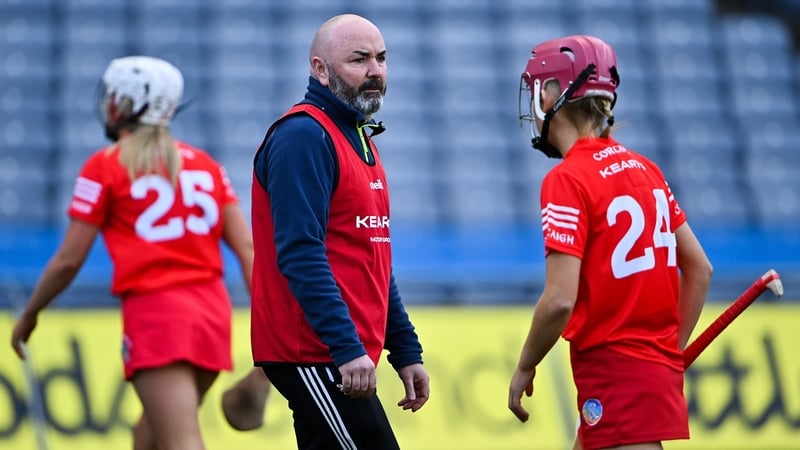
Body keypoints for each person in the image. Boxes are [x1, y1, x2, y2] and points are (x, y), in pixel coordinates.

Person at [9, 55, 259, 450]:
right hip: (212, 315)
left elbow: (69, 259)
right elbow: (247, 248)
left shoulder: (105, 166)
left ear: (122, 103)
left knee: (180, 441)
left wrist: (31, 311)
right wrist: (268, 318)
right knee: (147, 439)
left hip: (158, 316)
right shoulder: (206, 166)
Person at [507, 35, 713, 450]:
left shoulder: (566, 179)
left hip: (613, 372)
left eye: (537, 89)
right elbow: (700, 270)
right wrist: (667, 353)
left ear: (550, 95)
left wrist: (526, 365)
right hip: (643, 373)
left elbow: (560, 300)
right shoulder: (646, 169)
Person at [249, 13, 430, 449]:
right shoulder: (303, 136)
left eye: (382, 59)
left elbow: (375, 258)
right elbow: (300, 253)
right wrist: (345, 348)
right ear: (320, 69)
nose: (375, 71)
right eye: (359, 59)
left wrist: (404, 349)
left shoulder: (359, 136)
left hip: (338, 352)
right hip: (315, 352)